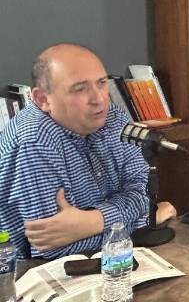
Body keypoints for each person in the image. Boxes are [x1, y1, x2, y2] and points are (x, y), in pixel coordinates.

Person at [0, 44, 152, 259]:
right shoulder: (34, 140)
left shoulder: (114, 118)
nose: (99, 99)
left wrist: (95, 221)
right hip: (28, 272)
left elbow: (142, 193)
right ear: (43, 99)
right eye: (80, 89)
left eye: (101, 83)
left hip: (107, 260)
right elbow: (55, 250)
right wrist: (146, 222)